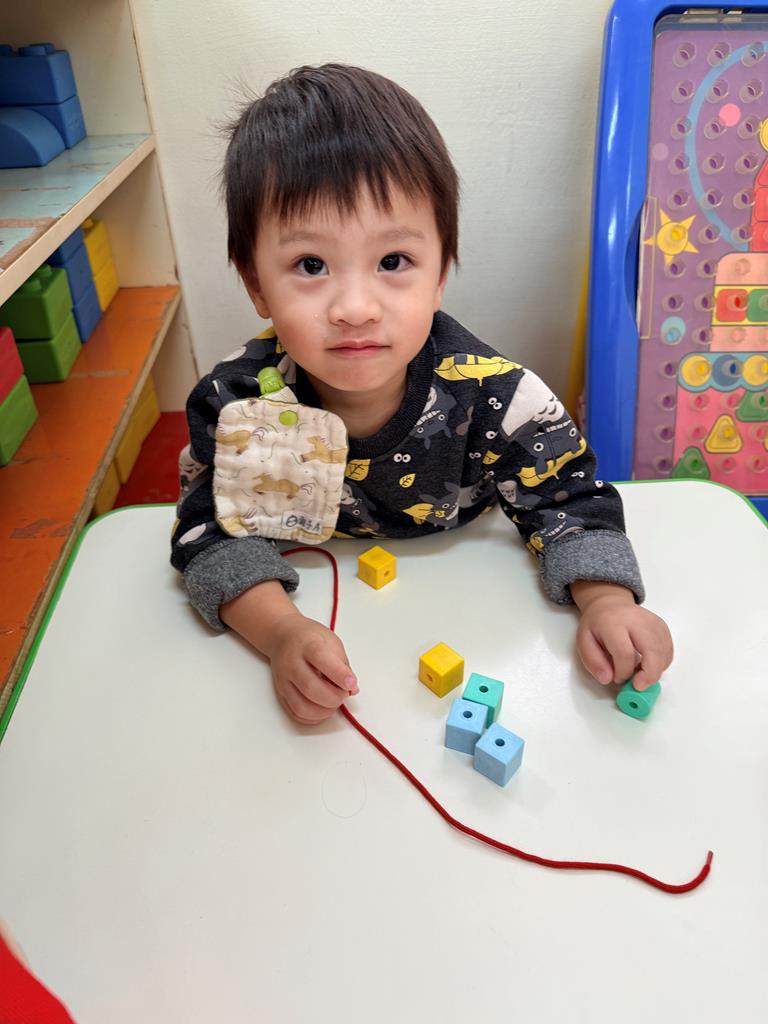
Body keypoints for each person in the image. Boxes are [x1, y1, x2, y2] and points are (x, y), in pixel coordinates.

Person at [171, 63, 673, 725]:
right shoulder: (239, 406)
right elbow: (212, 534)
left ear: (439, 275)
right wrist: (282, 633)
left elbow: (571, 501)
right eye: (311, 265)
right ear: (257, 284)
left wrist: (607, 601)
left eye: (393, 262)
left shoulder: (499, 397)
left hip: (474, 607)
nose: (355, 307)